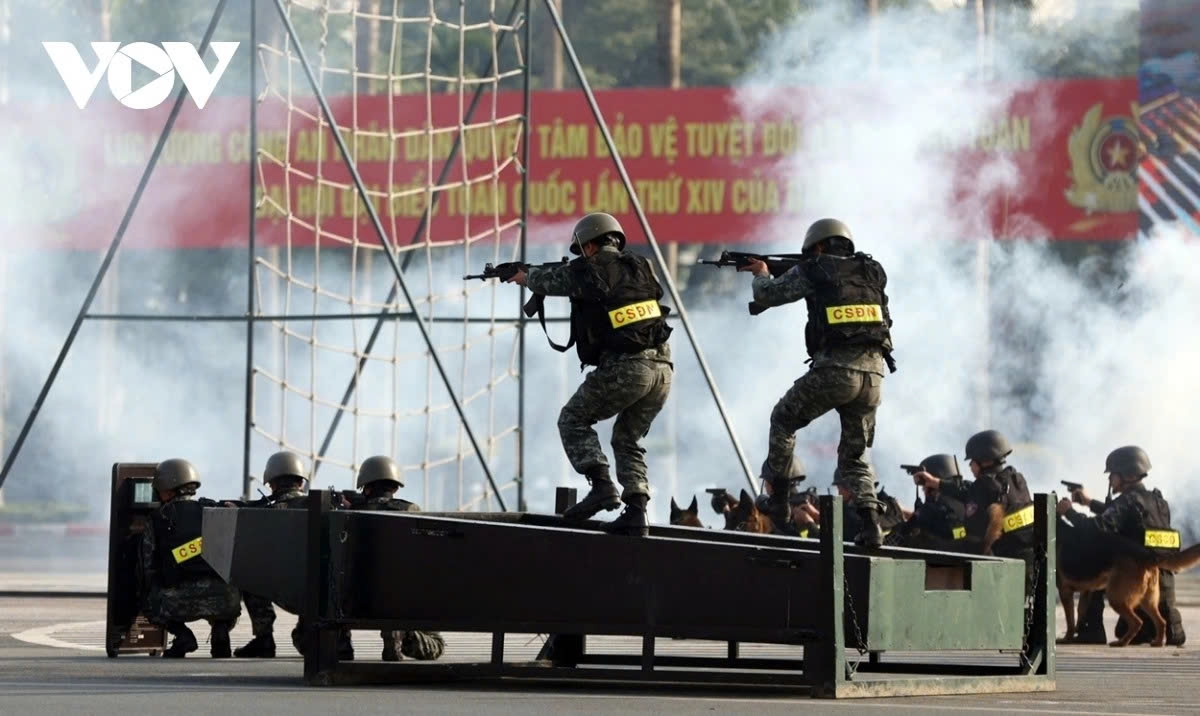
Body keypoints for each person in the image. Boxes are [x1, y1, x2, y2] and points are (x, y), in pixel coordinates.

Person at [504, 212, 674, 537]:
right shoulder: (641, 266)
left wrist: (524, 276)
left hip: (628, 367)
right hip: (662, 370)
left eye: (582, 250)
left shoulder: (590, 269)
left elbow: (553, 281)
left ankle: (601, 486)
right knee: (627, 438)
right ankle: (636, 511)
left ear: (590, 246)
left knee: (572, 420)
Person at [737, 218, 896, 547]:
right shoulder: (871, 272)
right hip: (874, 374)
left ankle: (779, 501)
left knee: (783, 420)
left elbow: (768, 294)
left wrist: (762, 273)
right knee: (855, 456)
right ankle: (871, 525)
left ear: (819, 246)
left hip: (835, 370)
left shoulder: (815, 268)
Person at [1059, 446, 1185, 646]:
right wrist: (1089, 503)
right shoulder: (1158, 501)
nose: (1110, 479)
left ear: (1128, 475)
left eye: (1113, 475)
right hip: (1166, 605)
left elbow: (1097, 526)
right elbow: (1122, 514)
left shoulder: (1127, 501)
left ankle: (1090, 629)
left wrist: (1069, 512)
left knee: (1094, 550)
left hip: (1135, 581)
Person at [343, 455, 446, 662]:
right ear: (396, 487)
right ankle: (403, 634)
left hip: (353, 598)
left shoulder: (349, 514)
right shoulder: (410, 511)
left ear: (366, 488)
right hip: (400, 597)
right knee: (436, 645)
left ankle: (339, 642)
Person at [139, 458, 240, 658]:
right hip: (225, 601)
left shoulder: (158, 518)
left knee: (148, 602)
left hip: (179, 602)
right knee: (227, 591)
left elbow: (148, 565)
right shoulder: (213, 510)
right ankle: (221, 629)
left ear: (168, 490)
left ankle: (183, 636)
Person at [927, 431, 1036, 594]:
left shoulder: (982, 488)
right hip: (1030, 567)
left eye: (972, 461)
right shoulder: (1015, 480)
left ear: (985, 461)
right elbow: (968, 490)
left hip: (1004, 574)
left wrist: (939, 549)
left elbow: (975, 540)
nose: (970, 465)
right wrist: (938, 483)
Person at [229, 450, 311, 658]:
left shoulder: (264, 511)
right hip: (316, 590)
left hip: (280, 588)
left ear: (272, 483)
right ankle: (341, 643)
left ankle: (264, 638)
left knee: (249, 577)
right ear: (301, 482)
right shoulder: (320, 507)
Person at [902, 454, 971, 552]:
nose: (923, 491)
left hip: (942, 558)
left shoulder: (939, 508)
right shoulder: (968, 500)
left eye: (925, 487)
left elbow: (943, 530)